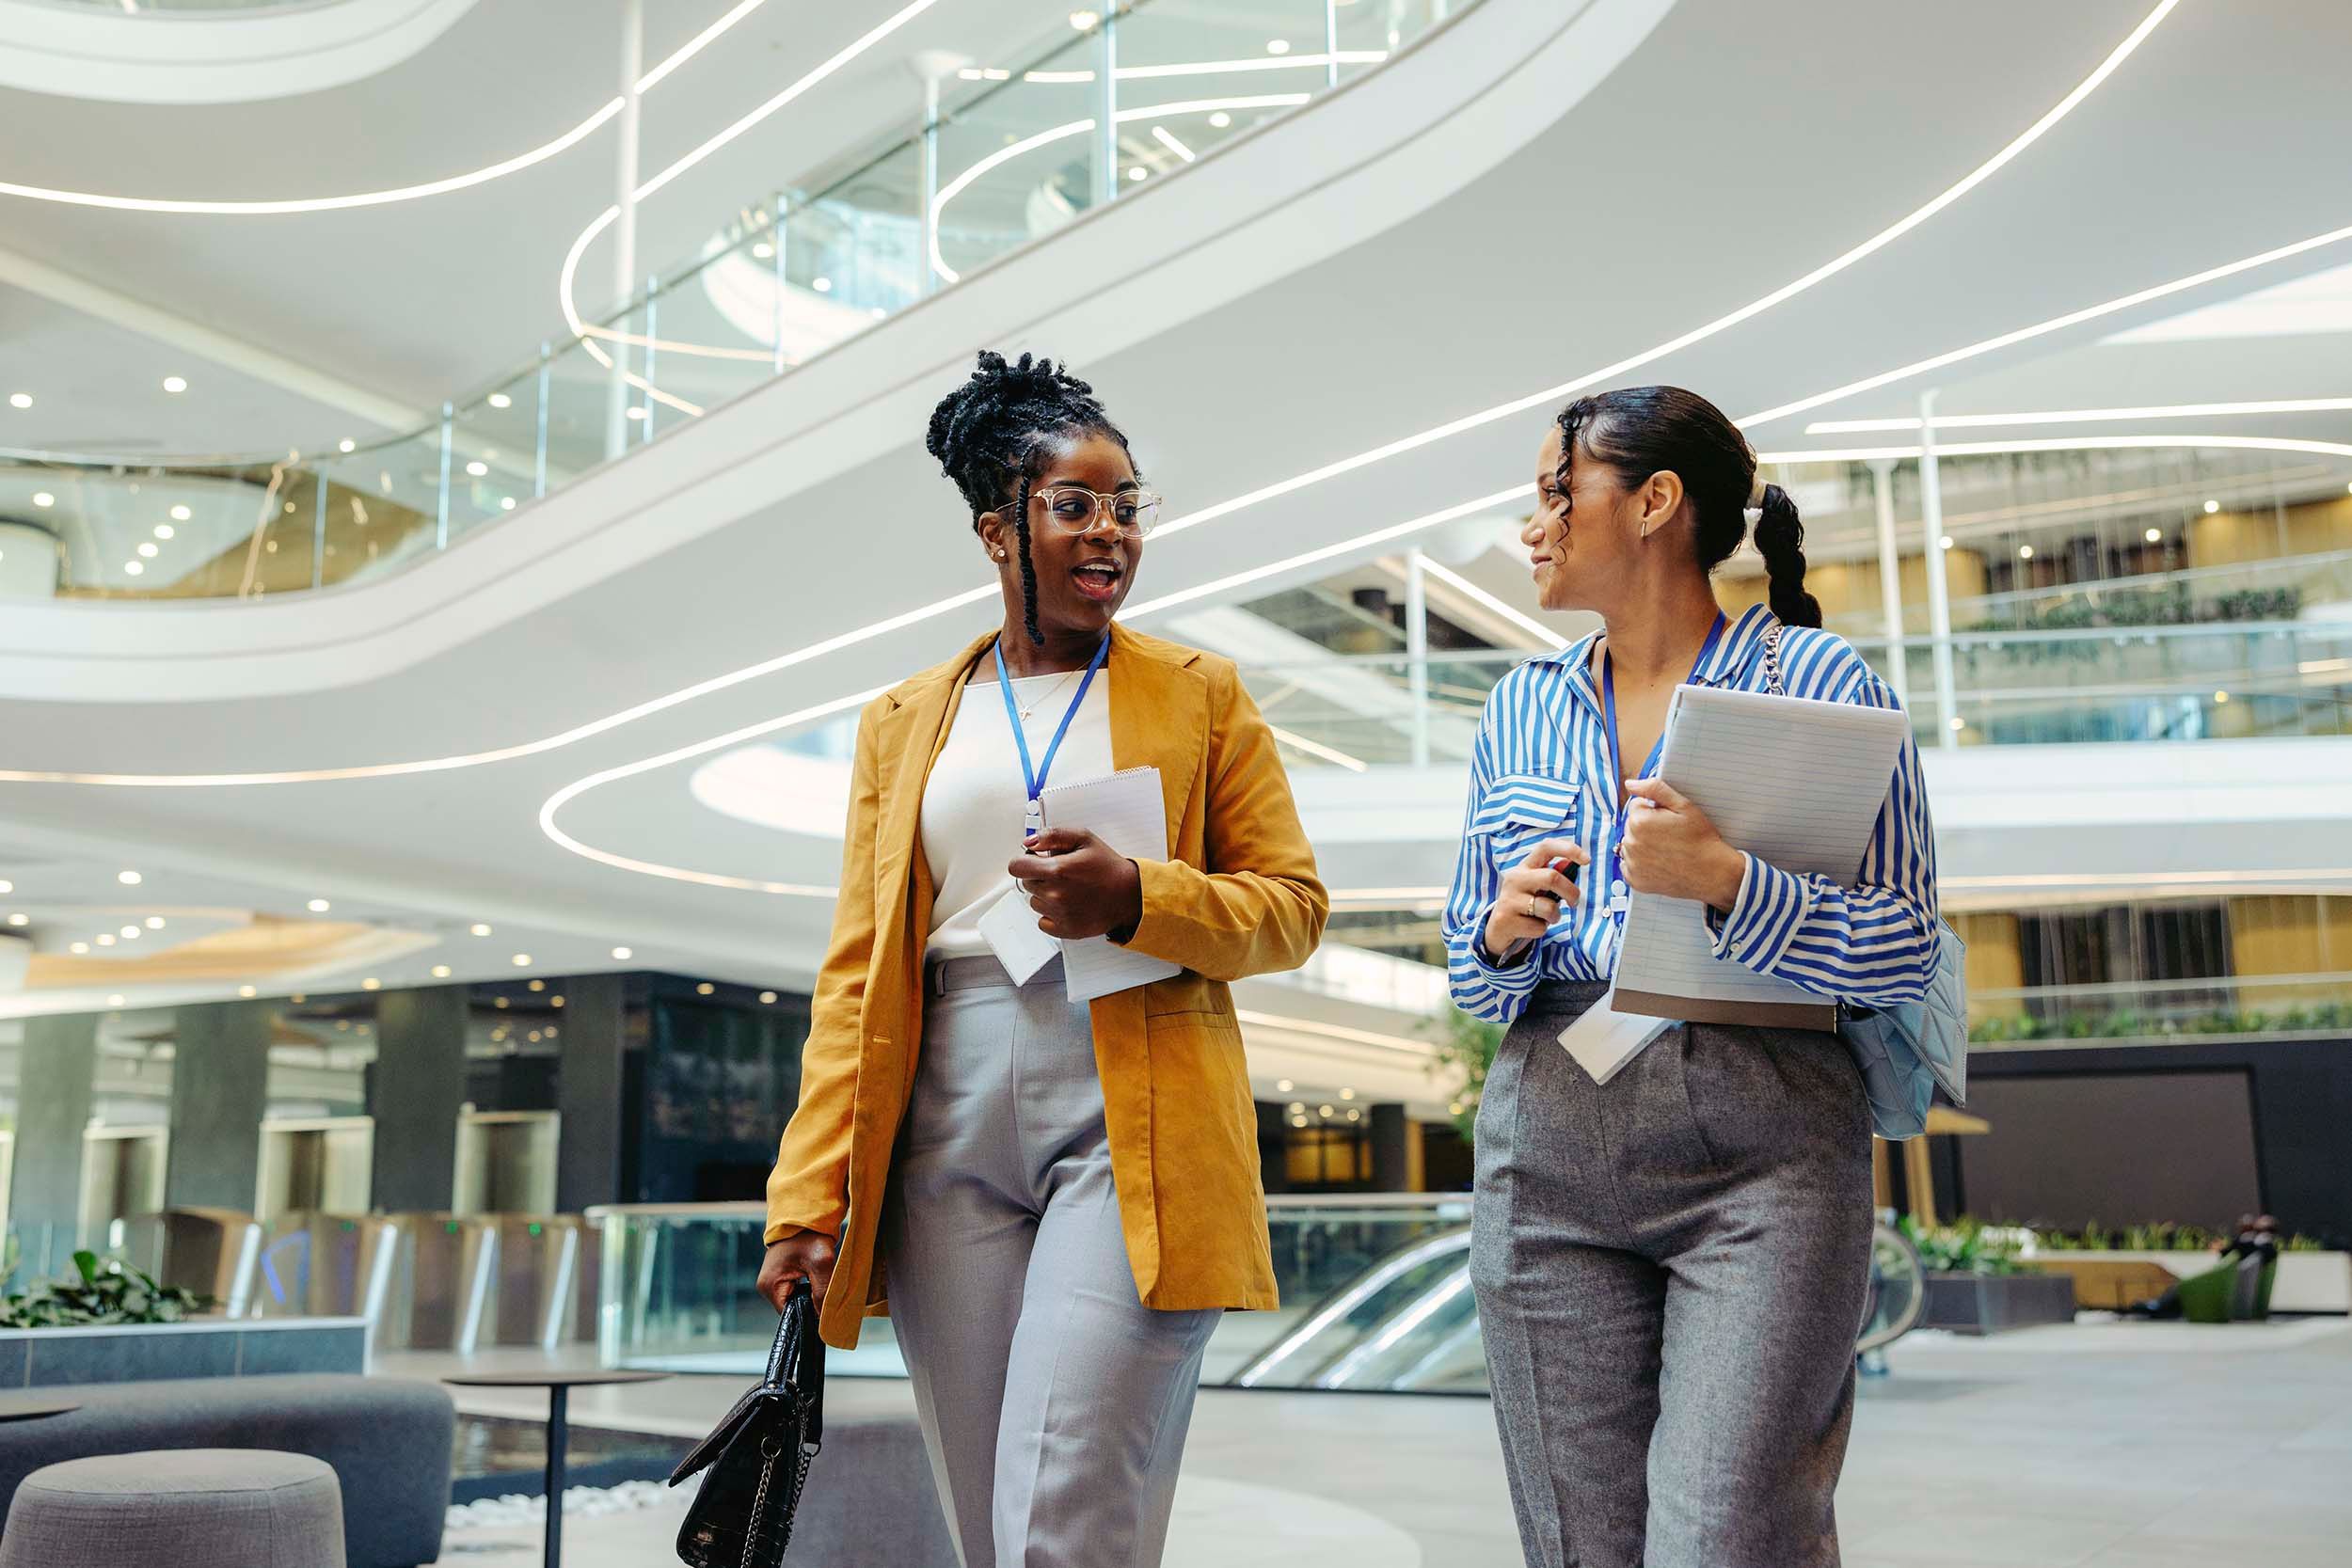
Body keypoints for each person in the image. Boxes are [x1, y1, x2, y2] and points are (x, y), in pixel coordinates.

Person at [756, 351, 1327, 1568]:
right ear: (997, 528)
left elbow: (1291, 908)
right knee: (988, 1518)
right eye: (1076, 504)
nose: (1112, 529)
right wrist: (808, 1195)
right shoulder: (904, 719)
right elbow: (857, 974)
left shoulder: (1202, 692)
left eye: (1128, 504)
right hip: (943, 1105)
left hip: (1135, 1094)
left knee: (1061, 1507)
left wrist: (1138, 896)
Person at [1445, 386, 1940, 1568]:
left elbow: (1906, 941)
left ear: (1654, 501)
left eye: (1556, 492)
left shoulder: (1820, 679)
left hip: (1765, 1139)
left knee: (1729, 1530)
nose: (1533, 525)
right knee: (1577, 1539)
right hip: (1546, 1132)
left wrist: (1728, 880)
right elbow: (1471, 969)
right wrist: (1501, 933)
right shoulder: (1518, 705)